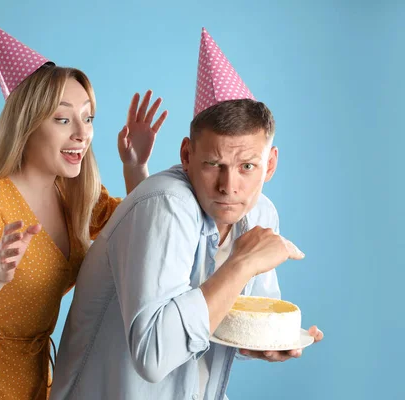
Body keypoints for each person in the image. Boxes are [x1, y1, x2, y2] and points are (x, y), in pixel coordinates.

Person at [50, 28, 324, 400]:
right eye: (214, 164)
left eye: (247, 166)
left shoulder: (261, 214)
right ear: (186, 156)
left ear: (270, 164)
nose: (229, 186)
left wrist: (265, 343)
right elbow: (153, 355)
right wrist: (241, 264)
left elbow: (230, 320)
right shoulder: (165, 205)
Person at [0, 15, 167, 400]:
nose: (82, 134)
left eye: (87, 117)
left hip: (35, 385)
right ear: (27, 125)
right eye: (63, 119)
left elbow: (142, 232)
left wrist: (135, 167)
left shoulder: (77, 197)